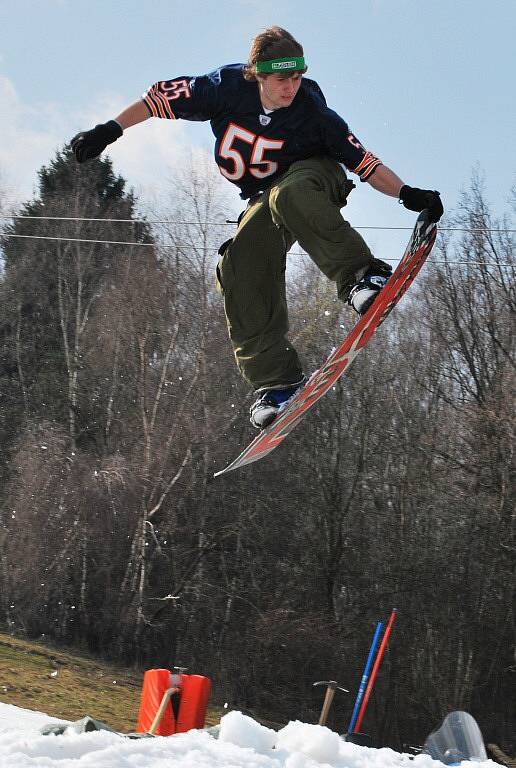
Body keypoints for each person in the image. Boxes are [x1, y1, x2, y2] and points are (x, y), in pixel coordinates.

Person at [71, 26, 443, 429]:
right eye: (282, 80)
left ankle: (361, 275)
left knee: (291, 193)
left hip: (314, 181)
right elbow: (157, 98)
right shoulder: (222, 88)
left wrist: (406, 193)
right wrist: (110, 129)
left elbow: (364, 163)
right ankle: (277, 383)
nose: (291, 88)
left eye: (297, 77)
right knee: (237, 265)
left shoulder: (314, 112)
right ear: (257, 75)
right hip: (264, 198)